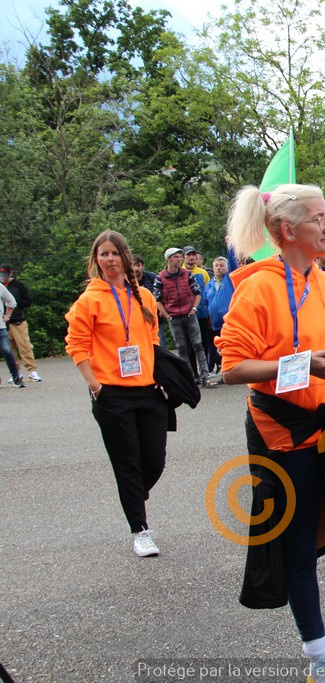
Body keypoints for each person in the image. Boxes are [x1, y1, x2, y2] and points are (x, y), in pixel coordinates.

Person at [218, 184, 325, 683]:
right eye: (320, 218)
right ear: (287, 230)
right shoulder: (258, 287)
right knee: (297, 549)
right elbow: (231, 368)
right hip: (283, 433)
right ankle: (318, 656)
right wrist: (303, 364)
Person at [64, 230, 166, 557]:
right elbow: (76, 345)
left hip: (148, 392)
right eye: (103, 254)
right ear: (96, 260)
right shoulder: (89, 300)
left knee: (154, 460)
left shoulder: (144, 298)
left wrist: (158, 375)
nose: (109, 259)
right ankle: (140, 530)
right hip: (111, 394)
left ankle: (133, 495)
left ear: (126, 258)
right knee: (128, 465)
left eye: (114, 253)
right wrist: (94, 384)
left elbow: (152, 339)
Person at [154, 247, 214, 385]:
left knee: (198, 345)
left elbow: (197, 292)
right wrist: (167, 315)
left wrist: (194, 308)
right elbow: (157, 299)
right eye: (176, 257)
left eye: (180, 256)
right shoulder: (160, 277)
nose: (179, 259)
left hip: (189, 315)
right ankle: (189, 377)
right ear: (169, 259)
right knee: (181, 348)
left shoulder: (187, 274)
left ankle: (205, 377)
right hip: (174, 317)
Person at [0, 265, 42, 382]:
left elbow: (27, 302)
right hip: (4, 323)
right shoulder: (1, 286)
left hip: (18, 320)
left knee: (25, 346)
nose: (3, 278)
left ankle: (32, 371)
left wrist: (14, 301)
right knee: (9, 350)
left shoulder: (19, 286)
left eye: (5, 275)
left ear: (11, 273)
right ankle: (16, 373)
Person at [1, 282, 25, 387]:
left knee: (7, 351)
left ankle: (16, 377)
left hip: (0, 327)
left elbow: (11, 301)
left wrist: (7, 315)